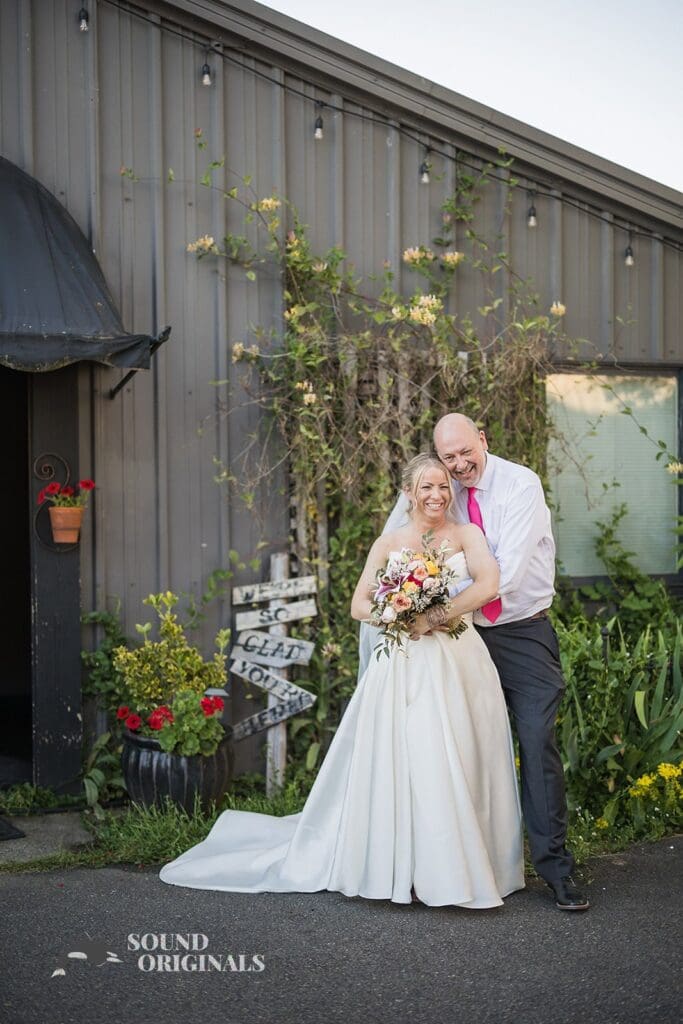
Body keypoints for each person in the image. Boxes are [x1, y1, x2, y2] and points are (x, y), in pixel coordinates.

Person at [159, 454, 525, 909]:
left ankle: (465, 864)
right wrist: (399, 614)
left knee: (464, 754)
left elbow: (487, 583)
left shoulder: (468, 534)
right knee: (414, 756)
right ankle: (407, 865)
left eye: (444, 487)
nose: (436, 495)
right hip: (406, 665)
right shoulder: (389, 542)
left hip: (461, 659)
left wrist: (432, 616)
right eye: (426, 487)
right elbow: (358, 605)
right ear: (408, 492)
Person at [412, 413, 589, 912]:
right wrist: (415, 600)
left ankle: (556, 869)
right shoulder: (442, 494)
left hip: (522, 632)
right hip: (461, 636)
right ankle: (464, 863)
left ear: (483, 439)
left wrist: (435, 609)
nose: (460, 464)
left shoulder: (520, 485)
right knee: (458, 746)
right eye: (449, 457)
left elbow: (503, 574)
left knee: (535, 741)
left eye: (467, 451)